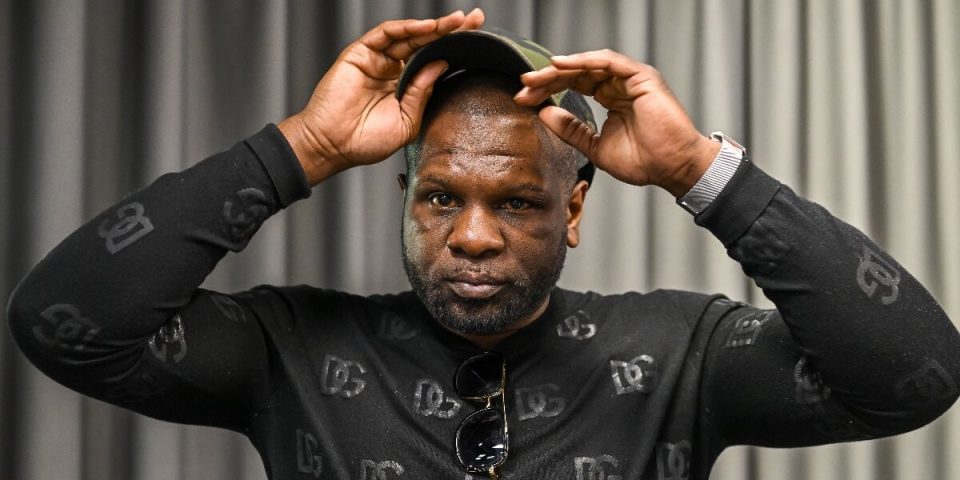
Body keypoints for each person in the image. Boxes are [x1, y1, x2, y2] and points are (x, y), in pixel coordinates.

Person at [6, 8, 960, 480]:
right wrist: (304, 148)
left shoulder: (684, 354)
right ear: (404, 195)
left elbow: (913, 374)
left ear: (574, 210)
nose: (470, 237)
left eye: (517, 203)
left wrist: (698, 171)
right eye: (439, 197)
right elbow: (65, 322)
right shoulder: (287, 350)